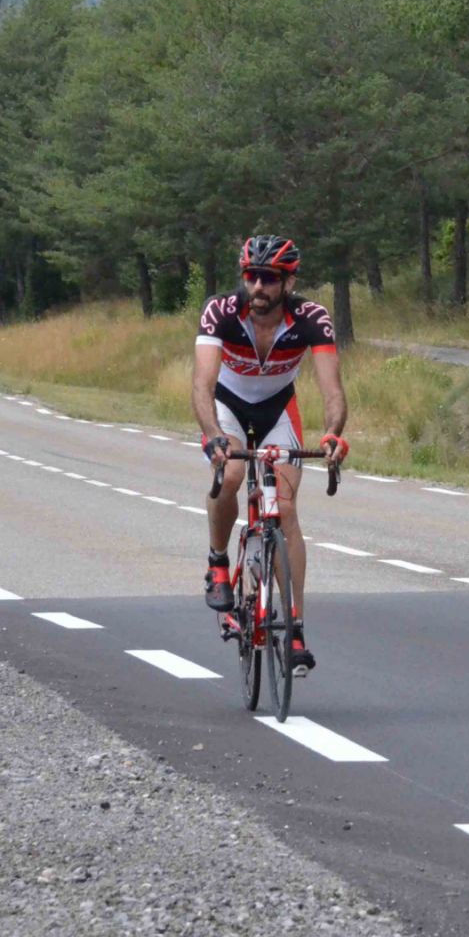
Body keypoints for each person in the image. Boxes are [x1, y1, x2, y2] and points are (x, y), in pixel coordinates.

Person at [193, 235, 348, 672]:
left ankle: (295, 629)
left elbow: (333, 391)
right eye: (251, 276)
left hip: (278, 409)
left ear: (289, 282)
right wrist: (213, 435)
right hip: (228, 406)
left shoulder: (312, 318)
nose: (257, 286)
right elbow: (202, 385)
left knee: (286, 509)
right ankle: (218, 561)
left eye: (269, 278)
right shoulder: (221, 312)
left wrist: (333, 434)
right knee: (231, 476)